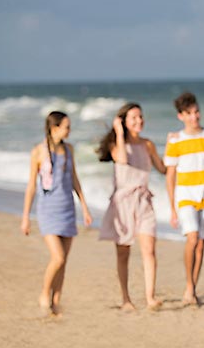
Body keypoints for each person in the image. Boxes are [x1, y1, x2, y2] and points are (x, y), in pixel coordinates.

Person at [21, 111, 92, 316]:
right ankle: (44, 293)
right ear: (54, 128)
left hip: (68, 208)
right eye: (66, 126)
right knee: (58, 257)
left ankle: (56, 300)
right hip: (48, 210)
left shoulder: (69, 149)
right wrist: (26, 217)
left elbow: (74, 179)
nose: (69, 130)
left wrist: (85, 207)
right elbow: (31, 186)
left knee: (64, 260)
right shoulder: (38, 151)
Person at [97, 103, 167, 311]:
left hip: (143, 200)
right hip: (123, 204)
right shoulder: (116, 145)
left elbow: (163, 169)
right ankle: (126, 298)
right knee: (123, 253)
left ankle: (150, 297)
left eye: (141, 117)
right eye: (134, 118)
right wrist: (119, 133)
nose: (139, 121)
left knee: (149, 250)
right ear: (124, 122)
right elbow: (123, 159)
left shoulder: (148, 144)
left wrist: (175, 149)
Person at [164, 91, 204, 306]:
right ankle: (189, 287)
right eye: (189, 113)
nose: (195, 117)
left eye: (197, 111)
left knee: (201, 245)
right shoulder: (175, 140)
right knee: (192, 239)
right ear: (180, 116)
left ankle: (192, 287)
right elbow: (170, 175)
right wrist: (172, 207)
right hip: (185, 197)